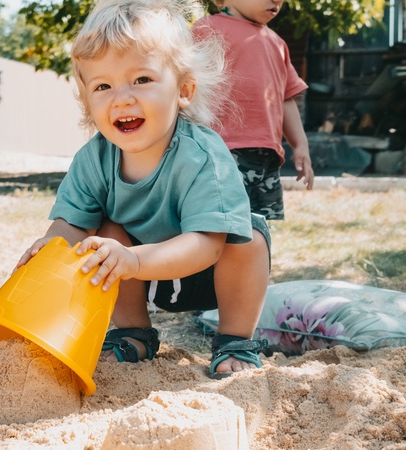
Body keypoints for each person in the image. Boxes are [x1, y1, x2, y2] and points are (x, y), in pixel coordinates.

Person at [14, 0, 270, 379]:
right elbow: (71, 225)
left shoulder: (202, 154)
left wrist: (135, 261)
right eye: (103, 85)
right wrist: (51, 247)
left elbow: (209, 243)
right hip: (144, 278)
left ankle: (234, 340)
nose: (122, 97)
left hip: (212, 270)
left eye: (142, 79)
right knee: (104, 233)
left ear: (183, 90)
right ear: (87, 100)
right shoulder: (93, 160)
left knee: (247, 236)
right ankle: (133, 332)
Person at [193, 0, 314, 220]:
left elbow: (286, 98)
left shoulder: (277, 43)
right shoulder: (206, 30)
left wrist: (300, 144)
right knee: (223, 225)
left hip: (268, 155)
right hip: (221, 152)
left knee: (261, 226)